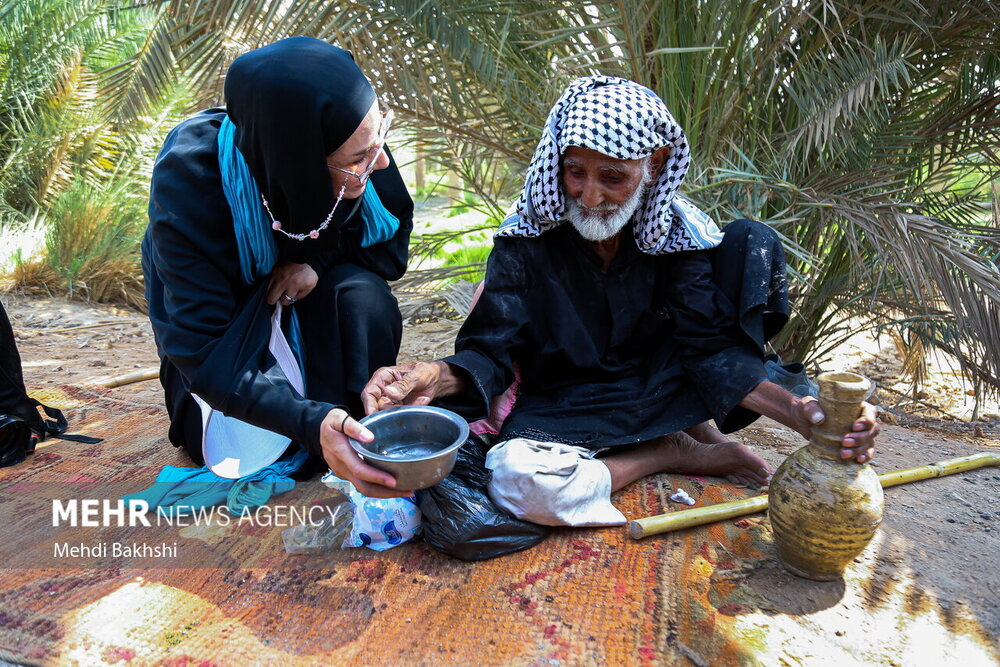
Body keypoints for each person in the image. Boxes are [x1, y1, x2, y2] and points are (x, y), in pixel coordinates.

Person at [351, 75, 881, 525]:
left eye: (613, 177)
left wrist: (805, 413)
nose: (590, 196)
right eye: (575, 172)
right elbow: (489, 347)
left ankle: (683, 433)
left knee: (748, 241)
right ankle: (664, 451)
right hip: (567, 397)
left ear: (654, 164)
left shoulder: (678, 238)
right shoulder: (526, 240)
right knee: (518, 483)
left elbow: (710, 349)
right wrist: (432, 375)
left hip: (661, 385)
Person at [143, 37, 412, 496]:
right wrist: (309, 421)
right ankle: (321, 426)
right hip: (229, 338)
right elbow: (200, 348)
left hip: (302, 304)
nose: (380, 162)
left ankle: (354, 422)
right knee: (247, 452)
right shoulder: (190, 182)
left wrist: (311, 259)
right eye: (359, 159)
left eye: (378, 140)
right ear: (298, 164)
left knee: (363, 293)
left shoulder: (358, 141)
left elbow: (389, 251)